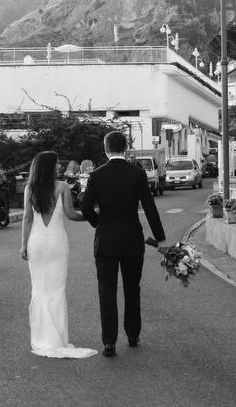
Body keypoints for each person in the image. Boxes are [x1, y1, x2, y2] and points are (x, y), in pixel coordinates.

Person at [80, 130, 166, 358]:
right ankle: (133, 335)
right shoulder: (136, 174)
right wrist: (161, 238)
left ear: (105, 149)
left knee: (106, 291)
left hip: (106, 241)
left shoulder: (97, 175)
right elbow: (149, 207)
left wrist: (99, 223)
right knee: (132, 288)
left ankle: (109, 342)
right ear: (126, 148)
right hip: (132, 240)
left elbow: (86, 206)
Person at [20, 151, 97, 358]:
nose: (59, 167)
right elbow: (71, 215)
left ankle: (41, 337)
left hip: (36, 242)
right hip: (56, 243)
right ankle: (57, 339)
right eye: (56, 164)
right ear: (48, 167)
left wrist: (23, 245)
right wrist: (93, 218)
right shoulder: (62, 187)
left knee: (39, 289)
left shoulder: (30, 189)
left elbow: (27, 218)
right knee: (56, 289)